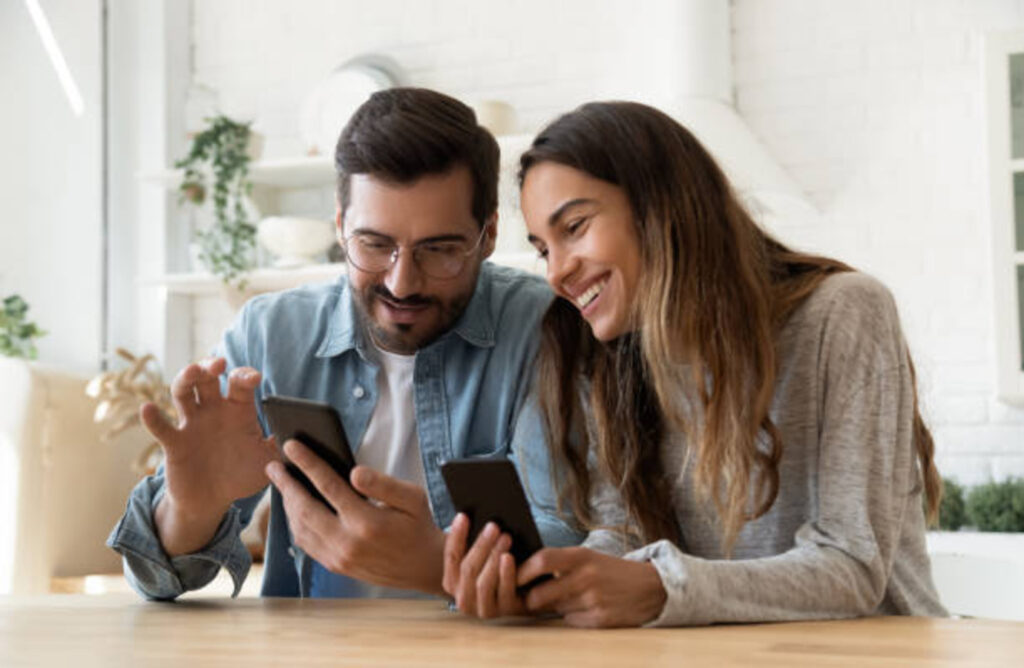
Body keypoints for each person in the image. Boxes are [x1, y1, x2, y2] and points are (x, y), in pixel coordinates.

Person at [442, 101, 948, 627]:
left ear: (660, 206)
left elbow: (853, 565)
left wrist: (662, 587)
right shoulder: (615, 362)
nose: (558, 272)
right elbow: (624, 536)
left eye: (575, 227)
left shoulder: (843, 313)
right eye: (544, 250)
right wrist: (558, 581)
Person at [107, 87, 579, 600]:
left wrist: (435, 563)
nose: (402, 283)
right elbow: (155, 579)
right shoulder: (268, 336)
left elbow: (570, 544)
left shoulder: (546, 329)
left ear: (487, 235)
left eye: (439, 250)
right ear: (339, 226)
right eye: (374, 245)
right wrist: (191, 511)